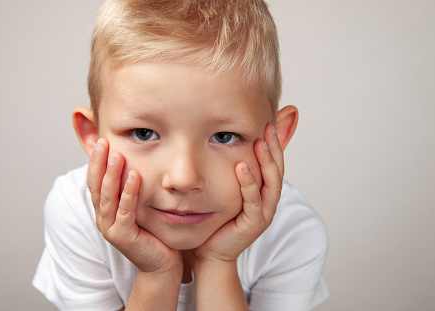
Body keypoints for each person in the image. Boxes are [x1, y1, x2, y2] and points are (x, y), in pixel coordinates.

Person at [33, 0, 329, 310]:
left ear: (276, 137)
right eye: (144, 133)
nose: (184, 178)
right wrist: (157, 273)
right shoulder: (75, 212)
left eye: (224, 137)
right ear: (92, 135)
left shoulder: (293, 234)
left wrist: (218, 262)